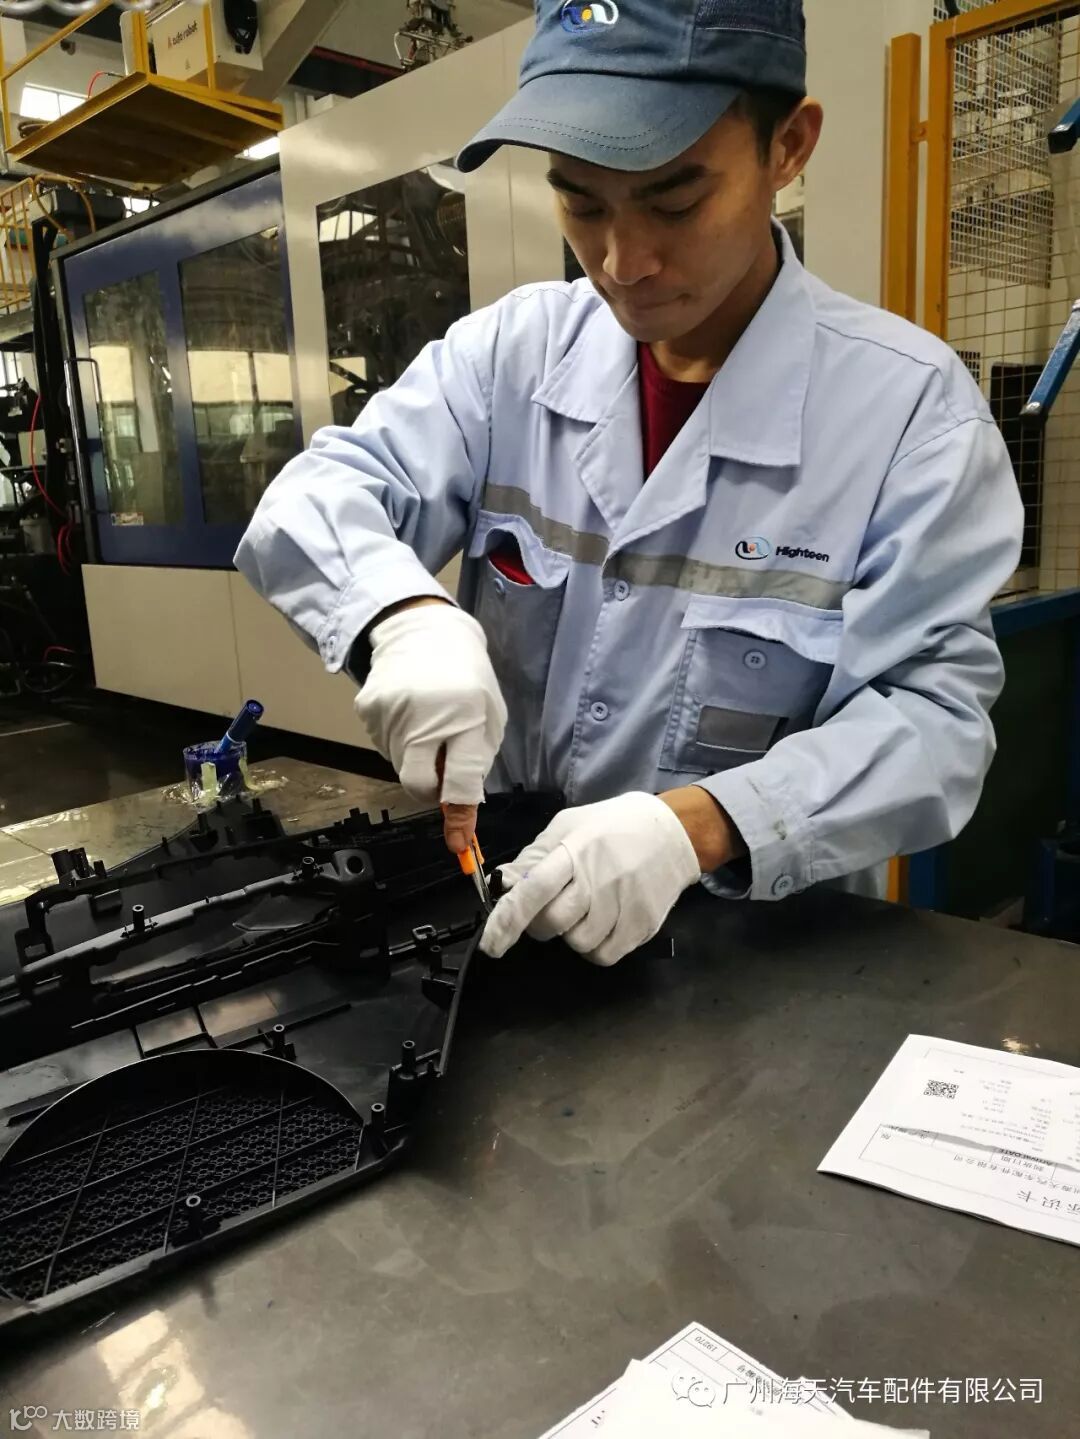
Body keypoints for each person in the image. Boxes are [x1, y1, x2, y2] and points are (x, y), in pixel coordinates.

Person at [236, 0, 1023, 969]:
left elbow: (934, 723)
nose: (623, 261)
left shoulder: (909, 414)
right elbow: (313, 499)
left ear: (789, 146)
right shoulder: (510, 356)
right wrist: (401, 615)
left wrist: (697, 826)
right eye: (581, 203)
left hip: (756, 960)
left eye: (674, 202)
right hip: (509, 929)